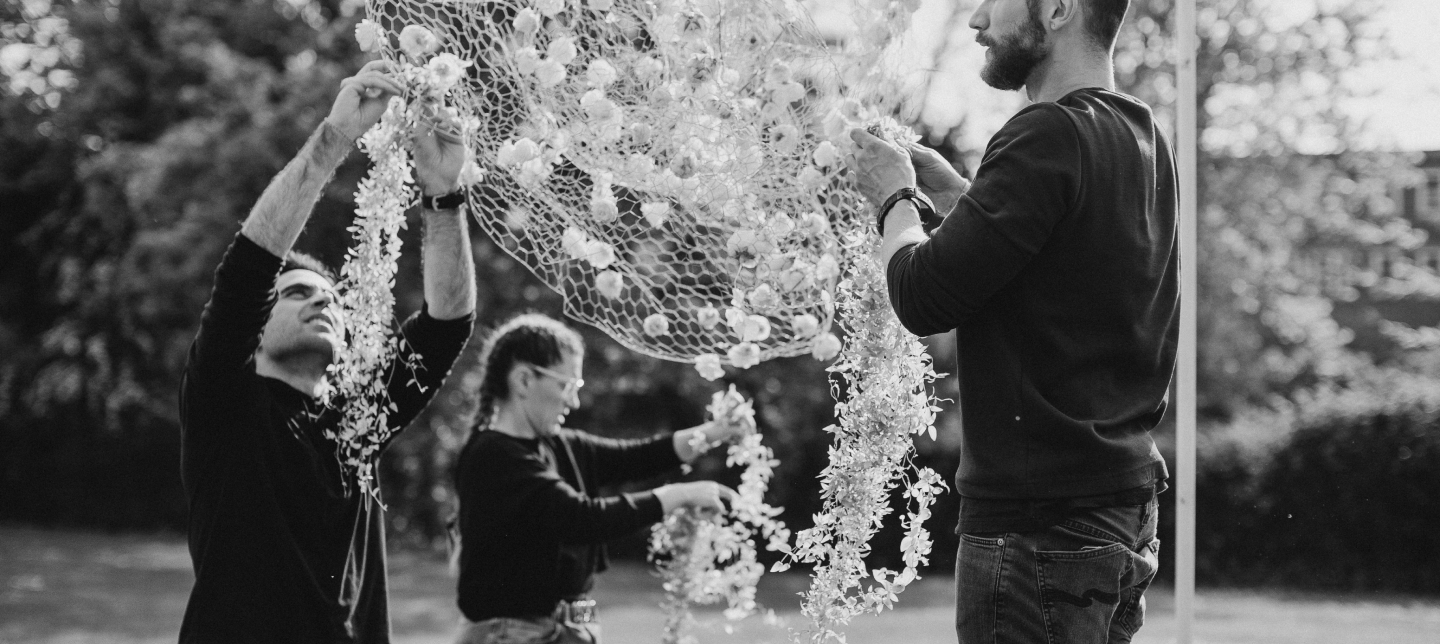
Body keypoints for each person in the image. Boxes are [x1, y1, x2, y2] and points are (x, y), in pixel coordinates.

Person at [848, 0, 1177, 642]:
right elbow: (1056, 280)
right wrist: (959, 199)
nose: (975, 21)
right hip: (1118, 510)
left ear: (1057, 10)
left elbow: (923, 296)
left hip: (1039, 527)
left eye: (991, 3)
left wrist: (893, 196)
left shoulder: (1044, 131)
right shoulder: (1141, 136)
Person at [178, 60, 477, 643]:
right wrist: (336, 138)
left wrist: (445, 198)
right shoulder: (224, 402)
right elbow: (249, 266)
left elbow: (446, 326)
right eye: (297, 295)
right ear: (255, 329)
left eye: (333, 299)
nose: (325, 305)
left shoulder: (357, 423)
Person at [452, 313, 746, 644]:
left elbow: (637, 457)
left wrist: (715, 431)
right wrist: (679, 494)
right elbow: (582, 518)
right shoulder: (496, 456)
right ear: (523, 380)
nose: (574, 400)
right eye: (566, 385)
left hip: (569, 628)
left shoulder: (560, 446)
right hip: (513, 635)